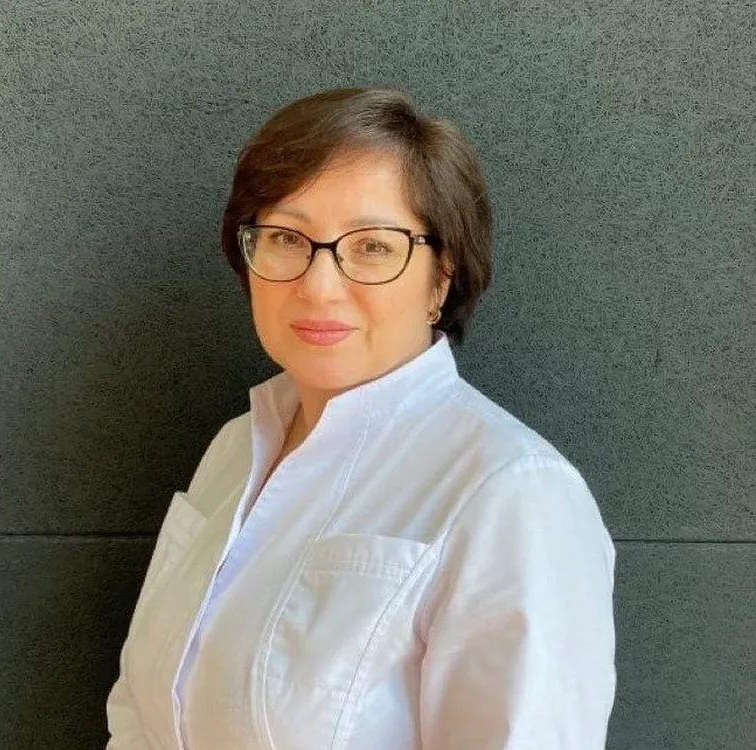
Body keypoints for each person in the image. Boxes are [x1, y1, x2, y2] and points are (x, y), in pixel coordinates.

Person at [106, 87, 616, 750]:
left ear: (441, 277)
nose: (319, 287)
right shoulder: (235, 449)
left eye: (374, 246)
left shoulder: (514, 494)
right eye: (286, 238)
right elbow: (141, 715)